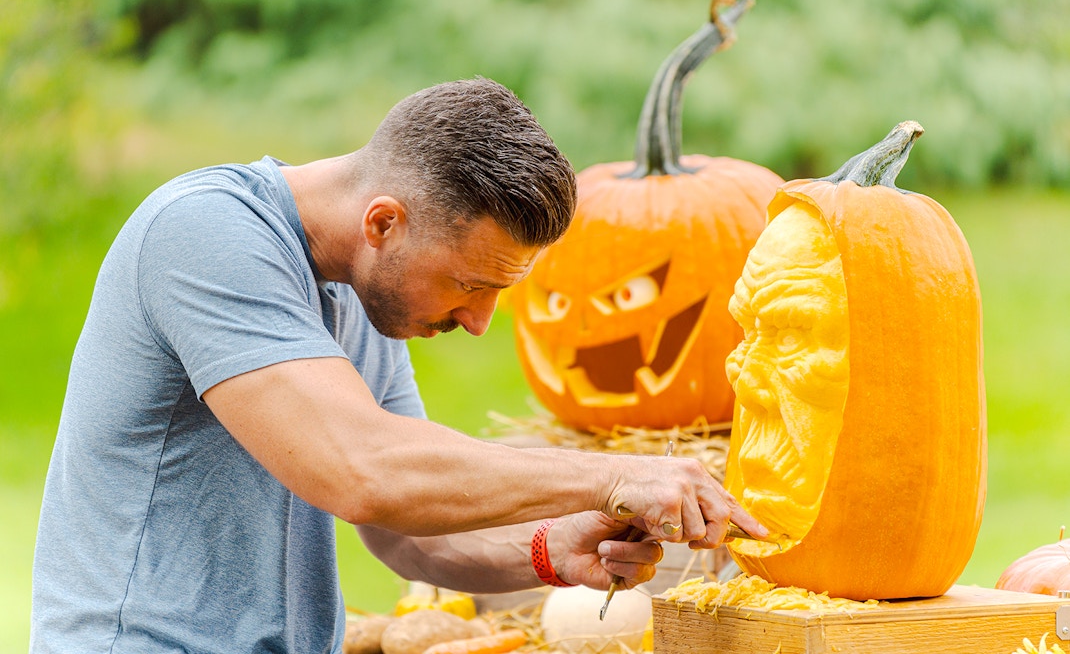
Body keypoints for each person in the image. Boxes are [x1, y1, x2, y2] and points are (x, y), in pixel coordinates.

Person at [30, 77, 767, 652]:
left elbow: (414, 533)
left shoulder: (363, 288)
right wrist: (610, 476)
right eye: (470, 285)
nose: (480, 324)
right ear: (384, 222)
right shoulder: (203, 233)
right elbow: (362, 470)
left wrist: (550, 546)